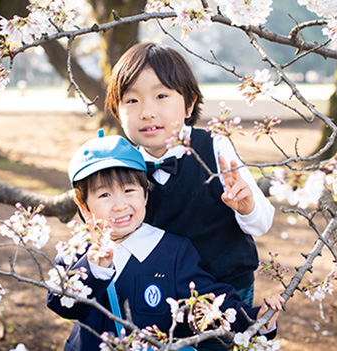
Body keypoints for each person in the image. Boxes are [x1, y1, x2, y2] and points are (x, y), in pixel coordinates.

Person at [47, 132, 284, 351]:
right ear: (83, 205)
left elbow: (210, 300)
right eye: (104, 195)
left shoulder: (171, 251)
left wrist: (257, 320)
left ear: (145, 194)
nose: (119, 205)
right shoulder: (77, 249)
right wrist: (94, 269)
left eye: (129, 190)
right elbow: (61, 304)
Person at [105, 42, 275, 307]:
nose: (147, 112)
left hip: (225, 287)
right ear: (117, 111)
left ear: (189, 104)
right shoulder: (122, 163)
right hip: (156, 292)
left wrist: (246, 206)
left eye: (161, 96)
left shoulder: (213, 146)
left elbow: (261, 224)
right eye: (132, 100)